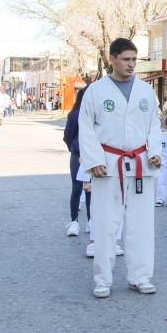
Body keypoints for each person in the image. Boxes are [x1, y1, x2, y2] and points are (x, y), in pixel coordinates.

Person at [79, 37, 162, 299]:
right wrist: (94, 160)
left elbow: (154, 126)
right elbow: (86, 127)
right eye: (126, 59)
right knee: (105, 224)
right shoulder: (96, 91)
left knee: (141, 224)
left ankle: (141, 276)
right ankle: (102, 279)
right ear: (112, 60)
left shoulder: (146, 91)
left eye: (134, 59)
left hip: (140, 164)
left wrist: (155, 152)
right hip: (108, 165)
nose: (131, 64)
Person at [64, 87, 91, 236]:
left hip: (93, 156)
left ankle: (91, 221)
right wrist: (75, 150)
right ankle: (74, 222)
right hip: (77, 155)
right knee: (77, 188)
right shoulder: (75, 115)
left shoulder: (96, 115)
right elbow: (68, 136)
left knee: (91, 189)